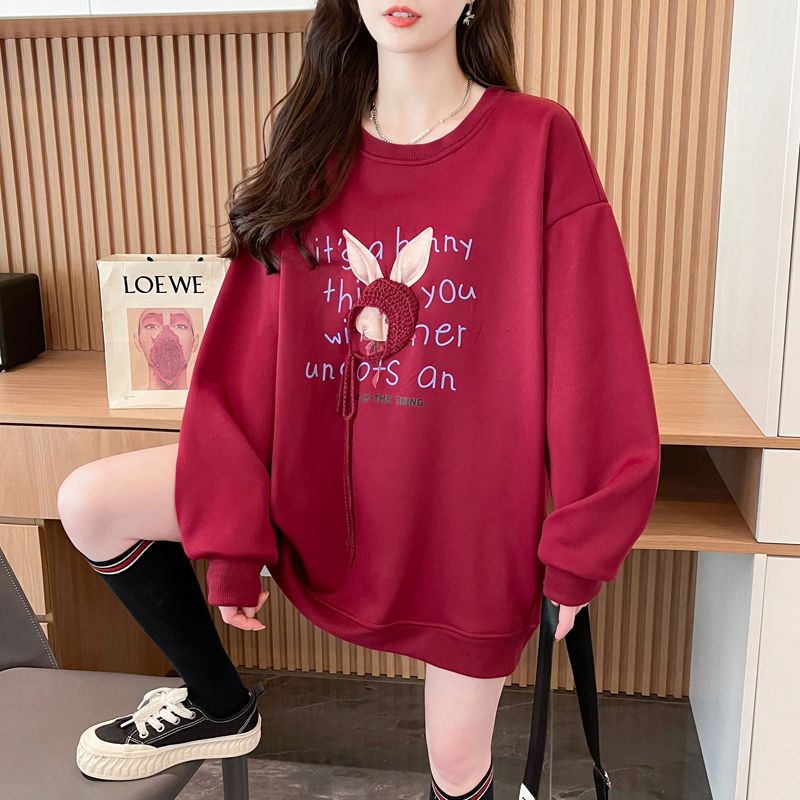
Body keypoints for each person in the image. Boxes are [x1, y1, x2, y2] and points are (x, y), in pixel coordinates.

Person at [57, 0, 661, 796]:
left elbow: (593, 355)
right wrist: (231, 545)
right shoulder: (313, 152)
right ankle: (216, 703)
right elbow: (244, 361)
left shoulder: (536, 140)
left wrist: (579, 549)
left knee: (456, 761)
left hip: (465, 527)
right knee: (91, 501)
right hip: (312, 499)